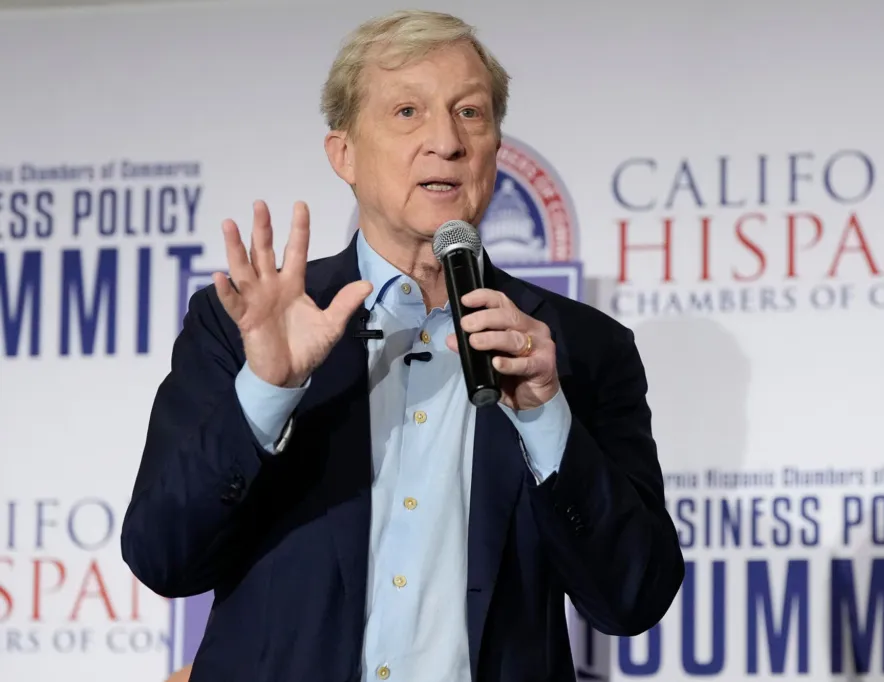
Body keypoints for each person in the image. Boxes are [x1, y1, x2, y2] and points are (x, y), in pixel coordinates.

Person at [121, 9, 683, 682]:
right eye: (408, 111)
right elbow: (163, 559)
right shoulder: (244, 324)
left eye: (470, 113)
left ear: (496, 147)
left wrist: (544, 414)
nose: (445, 141)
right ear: (344, 154)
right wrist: (267, 392)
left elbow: (634, 598)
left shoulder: (580, 350)